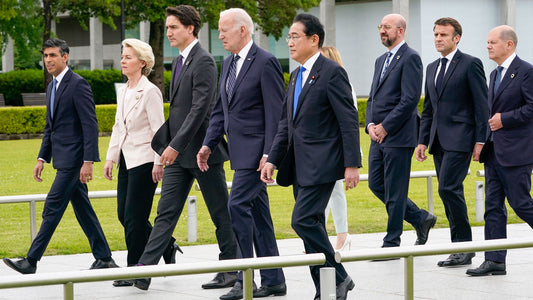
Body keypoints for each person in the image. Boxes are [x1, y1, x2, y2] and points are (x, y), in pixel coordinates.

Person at [134, 5, 237, 290]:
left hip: (203, 151)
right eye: (167, 28)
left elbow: (200, 109)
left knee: (220, 212)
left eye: (173, 27)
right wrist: (171, 146)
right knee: (165, 212)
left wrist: (175, 146)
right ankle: (144, 270)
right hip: (179, 154)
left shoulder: (203, 60)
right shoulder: (179, 61)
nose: (168, 32)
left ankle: (232, 268)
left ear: (190, 28)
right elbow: (179, 110)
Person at [261, 13, 360, 300]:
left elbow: (348, 121)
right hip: (299, 165)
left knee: (302, 221)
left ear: (314, 39)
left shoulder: (331, 72)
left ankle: (339, 276)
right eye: (288, 37)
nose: (289, 42)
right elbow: (286, 125)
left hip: (323, 164)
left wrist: (352, 164)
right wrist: (272, 159)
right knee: (311, 227)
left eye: (295, 36)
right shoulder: (295, 75)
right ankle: (327, 286)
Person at [3, 38, 117, 274]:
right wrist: (41, 158)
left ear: (65, 57)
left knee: (52, 207)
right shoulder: (52, 86)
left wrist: (88, 161)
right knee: (83, 209)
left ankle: (31, 261)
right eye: (45, 56)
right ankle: (104, 257)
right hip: (62, 160)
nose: (48, 60)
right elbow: (50, 127)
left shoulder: (78, 84)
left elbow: (90, 124)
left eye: (53, 55)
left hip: (74, 163)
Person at [198, 8, 286, 300]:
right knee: (259, 216)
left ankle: (242, 277)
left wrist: (269, 153)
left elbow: (276, 114)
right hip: (238, 153)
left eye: (224, 29)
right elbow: (222, 111)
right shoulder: (228, 63)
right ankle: (274, 279)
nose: (219, 34)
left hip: (257, 156)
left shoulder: (266, 62)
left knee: (235, 206)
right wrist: (209, 143)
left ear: (243, 31)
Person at [416, 17, 488, 267]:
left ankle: (463, 247)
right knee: (447, 190)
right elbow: (428, 109)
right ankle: (460, 247)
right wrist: (422, 141)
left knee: (448, 188)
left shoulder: (470, 64)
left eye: (443, 35)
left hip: (461, 139)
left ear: (456, 38)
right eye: (436, 34)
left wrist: (481, 140)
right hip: (437, 141)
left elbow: (482, 105)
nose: (438, 39)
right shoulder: (431, 68)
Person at [366, 14, 437, 251]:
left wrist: (385, 126)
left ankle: (392, 242)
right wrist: (370, 125)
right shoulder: (380, 60)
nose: (382, 31)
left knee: (396, 191)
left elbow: (409, 100)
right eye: (380, 26)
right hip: (377, 136)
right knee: (376, 185)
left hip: (398, 136)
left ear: (401, 30)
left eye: (387, 27)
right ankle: (419, 218)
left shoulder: (411, 58)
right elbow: (373, 99)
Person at [466, 25, 533, 276]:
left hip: (517, 152)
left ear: (509, 45)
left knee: (521, 203)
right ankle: (494, 260)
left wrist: (506, 119)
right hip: (494, 152)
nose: (488, 46)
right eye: (487, 42)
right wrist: (482, 141)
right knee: (493, 206)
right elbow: (488, 114)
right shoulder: (494, 74)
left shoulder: (526, 72)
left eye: (493, 42)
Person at [103, 39, 166, 287]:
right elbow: (119, 127)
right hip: (126, 162)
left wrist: (159, 162)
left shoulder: (150, 91)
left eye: (128, 57)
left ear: (142, 63)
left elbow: (158, 130)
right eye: (122, 56)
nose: (123, 60)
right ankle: (166, 244)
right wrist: (111, 157)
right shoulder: (124, 90)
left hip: (145, 161)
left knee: (134, 218)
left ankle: (134, 269)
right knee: (124, 215)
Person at [320, 46, 357, 251]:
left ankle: (341, 235)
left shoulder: (342, 83)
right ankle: (325, 234)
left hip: (338, 145)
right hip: (326, 145)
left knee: (334, 189)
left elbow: (349, 118)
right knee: (329, 190)